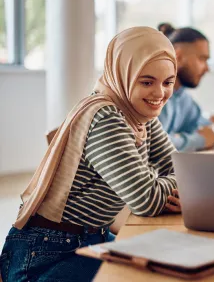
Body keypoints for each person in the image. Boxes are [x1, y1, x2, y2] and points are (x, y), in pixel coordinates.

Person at [0, 27, 181, 282]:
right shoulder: (107, 117)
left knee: (168, 263)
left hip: (91, 237)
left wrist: (166, 181)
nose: (159, 93)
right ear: (124, 74)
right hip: (48, 252)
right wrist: (168, 183)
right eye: (147, 81)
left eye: (168, 82)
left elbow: (180, 170)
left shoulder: (139, 113)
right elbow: (146, 199)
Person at [157, 24, 214, 152]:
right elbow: (156, 144)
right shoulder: (154, 96)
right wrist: (200, 140)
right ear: (178, 57)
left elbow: (198, 124)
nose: (207, 69)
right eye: (202, 59)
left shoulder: (183, 97)